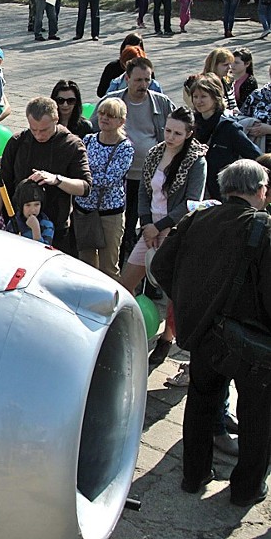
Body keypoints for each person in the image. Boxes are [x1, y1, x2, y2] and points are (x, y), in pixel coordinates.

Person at [150, 159, 271, 507]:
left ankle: (194, 475)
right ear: (259, 190)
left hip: (205, 332)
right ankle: (247, 489)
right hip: (254, 341)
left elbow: (161, 266)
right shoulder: (263, 227)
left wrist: (190, 307)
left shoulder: (198, 217)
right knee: (257, 415)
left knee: (202, 403)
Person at [120, 107, 207, 303]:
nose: (171, 137)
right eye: (168, 131)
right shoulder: (155, 153)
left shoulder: (196, 160)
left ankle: (169, 334)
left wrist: (159, 228)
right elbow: (144, 190)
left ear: (189, 134)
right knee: (126, 282)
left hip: (175, 227)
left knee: (172, 291)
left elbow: (191, 202)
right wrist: (147, 224)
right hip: (150, 224)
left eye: (177, 133)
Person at [95, 56, 176, 264]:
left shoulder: (161, 102)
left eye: (147, 80)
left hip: (151, 177)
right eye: (138, 80)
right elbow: (93, 128)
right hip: (120, 178)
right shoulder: (112, 101)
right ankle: (121, 265)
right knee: (124, 227)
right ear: (127, 78)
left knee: (150, 226)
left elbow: (179, 126)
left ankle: (148, 271)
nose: (143, 85)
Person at [0, 96, 92, 253]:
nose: (38, 135)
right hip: (18, 227)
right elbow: (3, 183)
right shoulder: (18, 141)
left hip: (56, 228)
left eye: (44, 130)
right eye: (33, 129)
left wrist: (56, 179)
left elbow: (85, 188)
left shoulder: (71, 145)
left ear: (56, 119)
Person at [75, 98, 134, 280]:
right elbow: (78, 167)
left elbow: (110, 179)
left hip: (110, 214)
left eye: (111, 115)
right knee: (85, 264)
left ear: (121, 121)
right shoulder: (89, 140)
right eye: (102, 113)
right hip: (84, 210)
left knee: (109, 266)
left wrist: (84, 179)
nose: (104, 118)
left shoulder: (125, 148)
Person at [191, 73, 261, 200]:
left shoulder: (229, 128)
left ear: (216, 98)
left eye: (203, 96)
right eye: (195, 96)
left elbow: (256, 156)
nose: (198, 101)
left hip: (222, 195)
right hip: (194, 193)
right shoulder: (190, 124)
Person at [4, 179, 54, 244]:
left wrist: (36, 230)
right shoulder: (14, 223)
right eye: (28, 205)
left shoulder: (47, 225)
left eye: (36, 204)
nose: (33, 210)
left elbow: (43, 250)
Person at [241, 63, 271, 151]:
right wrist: (251, 126)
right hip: (257, 149)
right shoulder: (257, 95)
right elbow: (243, 118)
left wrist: (268, 129)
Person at [202, 47, 238, 112]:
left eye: (230, 64)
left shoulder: (228, 82)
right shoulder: (203, 84)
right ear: (214, 65)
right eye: (225, 65)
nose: (229, 67)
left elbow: (233, 106)